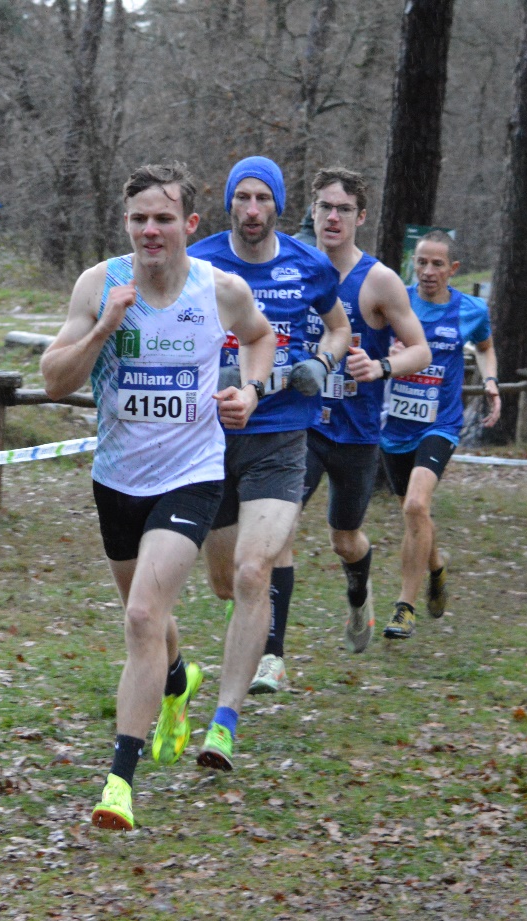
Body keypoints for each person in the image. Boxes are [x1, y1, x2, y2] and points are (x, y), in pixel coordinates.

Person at [40, 163, 274, 830]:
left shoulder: (220, 289)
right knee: (151, 620)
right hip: (116, 480)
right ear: (126, 223)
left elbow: (260, 338)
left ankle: (119, 781)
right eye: (139, 218)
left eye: (164, 218)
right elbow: (55, 379)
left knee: (142, 616)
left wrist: (250, 391)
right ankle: (178, 682)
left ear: (190, 226)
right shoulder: (100, 285)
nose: (150, 229)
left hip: (193, 474)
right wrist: (102, 328)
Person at [186, 156, 350, 768]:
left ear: (278, 206)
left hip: (283, 439)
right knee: (226, 581)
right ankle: (240, 652)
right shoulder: (199, 262)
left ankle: (224, 722)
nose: (252, 210)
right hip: (212, 440)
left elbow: (338, 331)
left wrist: (323, 364)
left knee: (256, 574)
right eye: (242, 198)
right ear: (229, 202)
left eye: (263, 199)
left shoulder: (309, 264)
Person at [253, 167, 432, 669]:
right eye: (325, 207)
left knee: (344, 538)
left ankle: (359, 593)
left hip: (355, 433)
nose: (333, 218)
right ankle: (273, 654)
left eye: (344, 209)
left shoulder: (378, 281)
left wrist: (380, 366)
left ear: (361, 217)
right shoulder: (288, 266)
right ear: (311, 211)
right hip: (299, 425)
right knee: (279, 531)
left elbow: (420, 350)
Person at [379, 230, 501, 640]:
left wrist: (491, 382)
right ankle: (436, 568)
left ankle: (404, 607)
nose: (429, 272)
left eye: (437, 264)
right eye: (422, 263)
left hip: (440, 425)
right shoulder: (396, 302)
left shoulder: (470, 309)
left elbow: (484, 347)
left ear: (453, 269)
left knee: (416, 505)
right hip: (394, 426)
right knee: (414, 515)